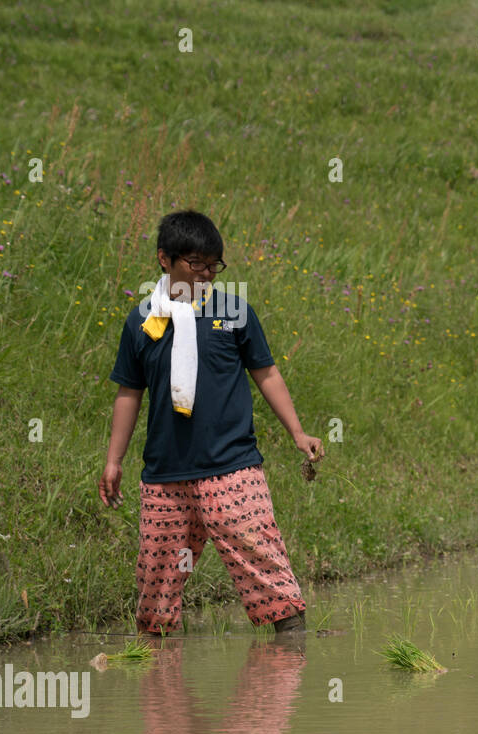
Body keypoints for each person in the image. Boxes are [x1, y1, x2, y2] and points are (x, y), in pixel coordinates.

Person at [99, 210, 322, 635]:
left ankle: (288, 660)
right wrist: (114, 460)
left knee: (264, 570)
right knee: (155, 593)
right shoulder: (143, 321)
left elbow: (267, 373)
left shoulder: (234, 312)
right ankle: (162, 683)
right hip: (166, 474)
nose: (205, 273)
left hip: (232, 467)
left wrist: (298, 432)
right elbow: (129, 392)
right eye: (195, 263)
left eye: (213, 264)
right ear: (165, 260)